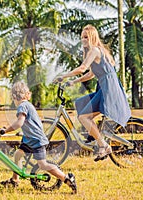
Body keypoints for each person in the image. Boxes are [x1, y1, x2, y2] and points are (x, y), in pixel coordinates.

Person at [56, 24, 131, 162]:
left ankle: (103, 145)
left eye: (86, 37)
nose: (83, 39)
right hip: (104, 87)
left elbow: (83, 68)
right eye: (82, 37)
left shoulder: (95, 51)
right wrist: (74, 82)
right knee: (81, 104)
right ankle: (95, 138)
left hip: (108, 88)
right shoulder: (95, 51)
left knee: (84, 117)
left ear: (92, 37)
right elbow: (91, 74)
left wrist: (64, 76)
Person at [0, 81, 77, 194]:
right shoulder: (28, 105)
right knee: (18, 154)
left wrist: (6, 131)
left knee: (43, 165)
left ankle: (67, 178)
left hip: (36, 141)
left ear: (15, 96)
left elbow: (20, 123)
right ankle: (15, 180)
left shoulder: (22, 106)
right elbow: (32, 123)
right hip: (29, 140)